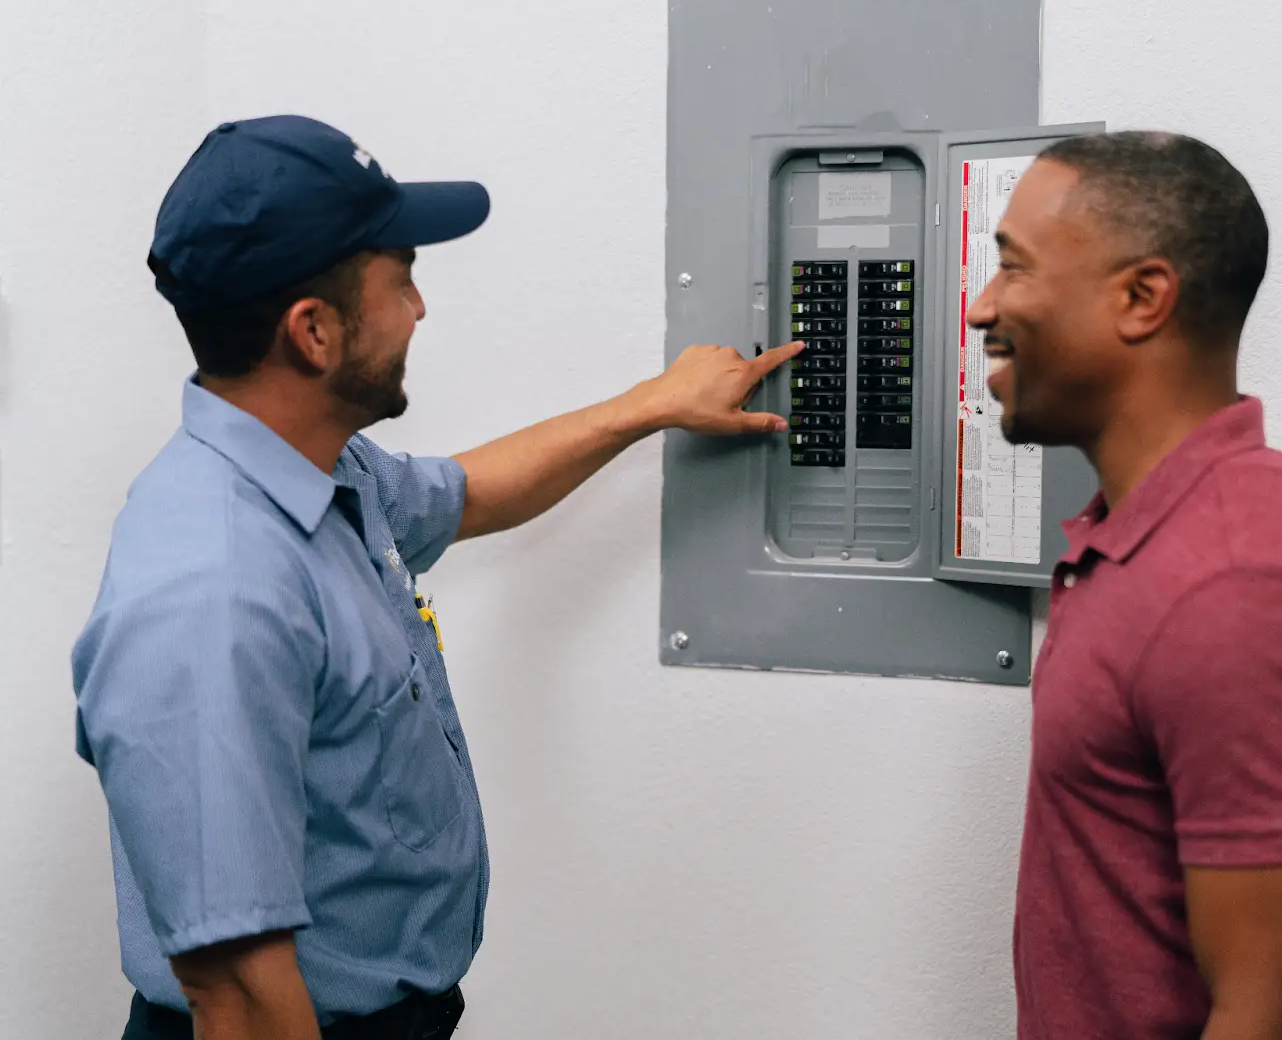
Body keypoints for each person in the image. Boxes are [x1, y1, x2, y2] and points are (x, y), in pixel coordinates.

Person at [70, 114, 803, 1040]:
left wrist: (653, 405)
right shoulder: (211, 591)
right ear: (314, 333)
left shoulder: (322, 468)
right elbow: (238, 995)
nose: (420, 308)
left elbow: (468, 493)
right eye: (403, 278)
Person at [967, 131, 1282, 1040]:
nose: (982, 307)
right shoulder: (1153, 538)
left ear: (1143, 298)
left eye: (1014, 267)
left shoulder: (1237, 587)